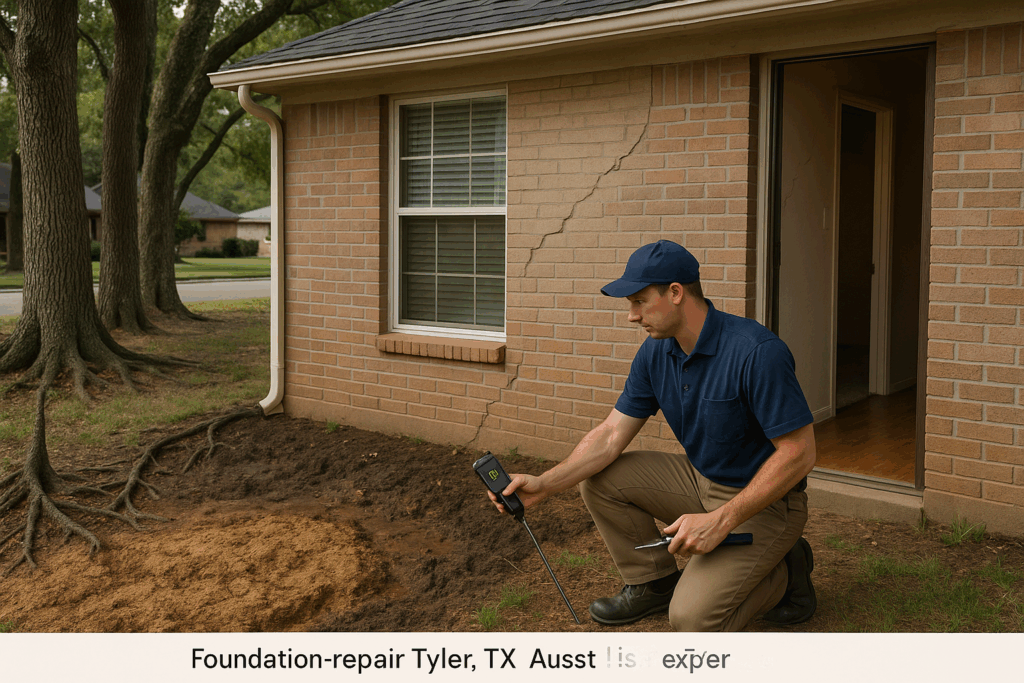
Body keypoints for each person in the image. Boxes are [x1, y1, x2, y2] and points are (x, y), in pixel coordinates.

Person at [487, 239, 817, 631]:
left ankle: (785, 575)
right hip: (700, 480)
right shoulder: (656, 352)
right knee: (603, 479)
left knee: (692, 622)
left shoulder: (756, 352)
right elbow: (611, 434)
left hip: (765, 503)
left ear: (675, 293)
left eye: (640, 301)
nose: (631, 316)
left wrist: (722, 519)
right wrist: (544, 484)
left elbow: (799, 453)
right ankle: (654, 583)